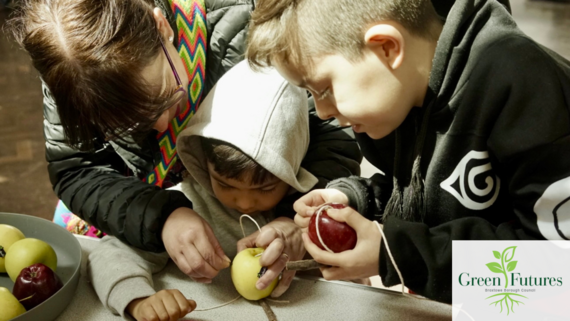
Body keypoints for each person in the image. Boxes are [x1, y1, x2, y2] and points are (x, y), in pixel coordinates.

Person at [7, 0, 361, 282]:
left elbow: (333, 131)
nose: (164, 125)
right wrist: (161, 217)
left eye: (165, 96)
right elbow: (78, 170)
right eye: (125, 125)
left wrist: (292, 219)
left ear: (162, 27)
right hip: (134, 212)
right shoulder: (70, 67)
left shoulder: (251, 21)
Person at [245, 0, 570, 304]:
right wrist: (356, 203)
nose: (323, 111)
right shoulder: (404, 94)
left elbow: (554, 276)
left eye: (324, 89)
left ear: (387, 48)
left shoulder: (524, 86)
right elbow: (434, 197)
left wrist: (398, 255)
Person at [88, 60, 321, 321]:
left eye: (266, 187)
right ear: (203, 164)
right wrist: (139, 301)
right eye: (225, 184)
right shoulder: (186, 210)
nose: (244, 203)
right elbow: (109, 254)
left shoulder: (310, 212)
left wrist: (306, 238)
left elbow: (346, 280)